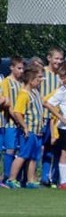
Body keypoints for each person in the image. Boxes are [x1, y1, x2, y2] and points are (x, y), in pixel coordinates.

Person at [7, 65, 45, 189]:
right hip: (29, 131)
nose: (41, 80)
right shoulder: (24, 94)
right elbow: (18, 112)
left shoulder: (35, 93)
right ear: (31, 80)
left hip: (37, 131)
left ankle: (30, 180)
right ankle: (11, 179)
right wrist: (24, 127)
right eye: (38, 78)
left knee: (34, 156)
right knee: (23, 155)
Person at [39, 47, 64, 186]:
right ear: (49, 58)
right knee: (40, 146)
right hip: (43, 116)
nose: (59, 61)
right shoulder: (42, 73)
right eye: (56, 58)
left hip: (55, 118)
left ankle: (50, 178)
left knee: (53, 148)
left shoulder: (61, 76)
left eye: (61, 59)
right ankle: (29, 177)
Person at [1, 56, 25, 185]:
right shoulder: (6, 82)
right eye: (19, 68)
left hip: (22, 122)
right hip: (11, 122)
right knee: (10, 149)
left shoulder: (21, 83)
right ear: (11, 67)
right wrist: (16, 118)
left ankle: (16, 177)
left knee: (19, 150)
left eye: (22, 68)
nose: (21, 71)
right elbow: (8, 103)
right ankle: (6, 177)